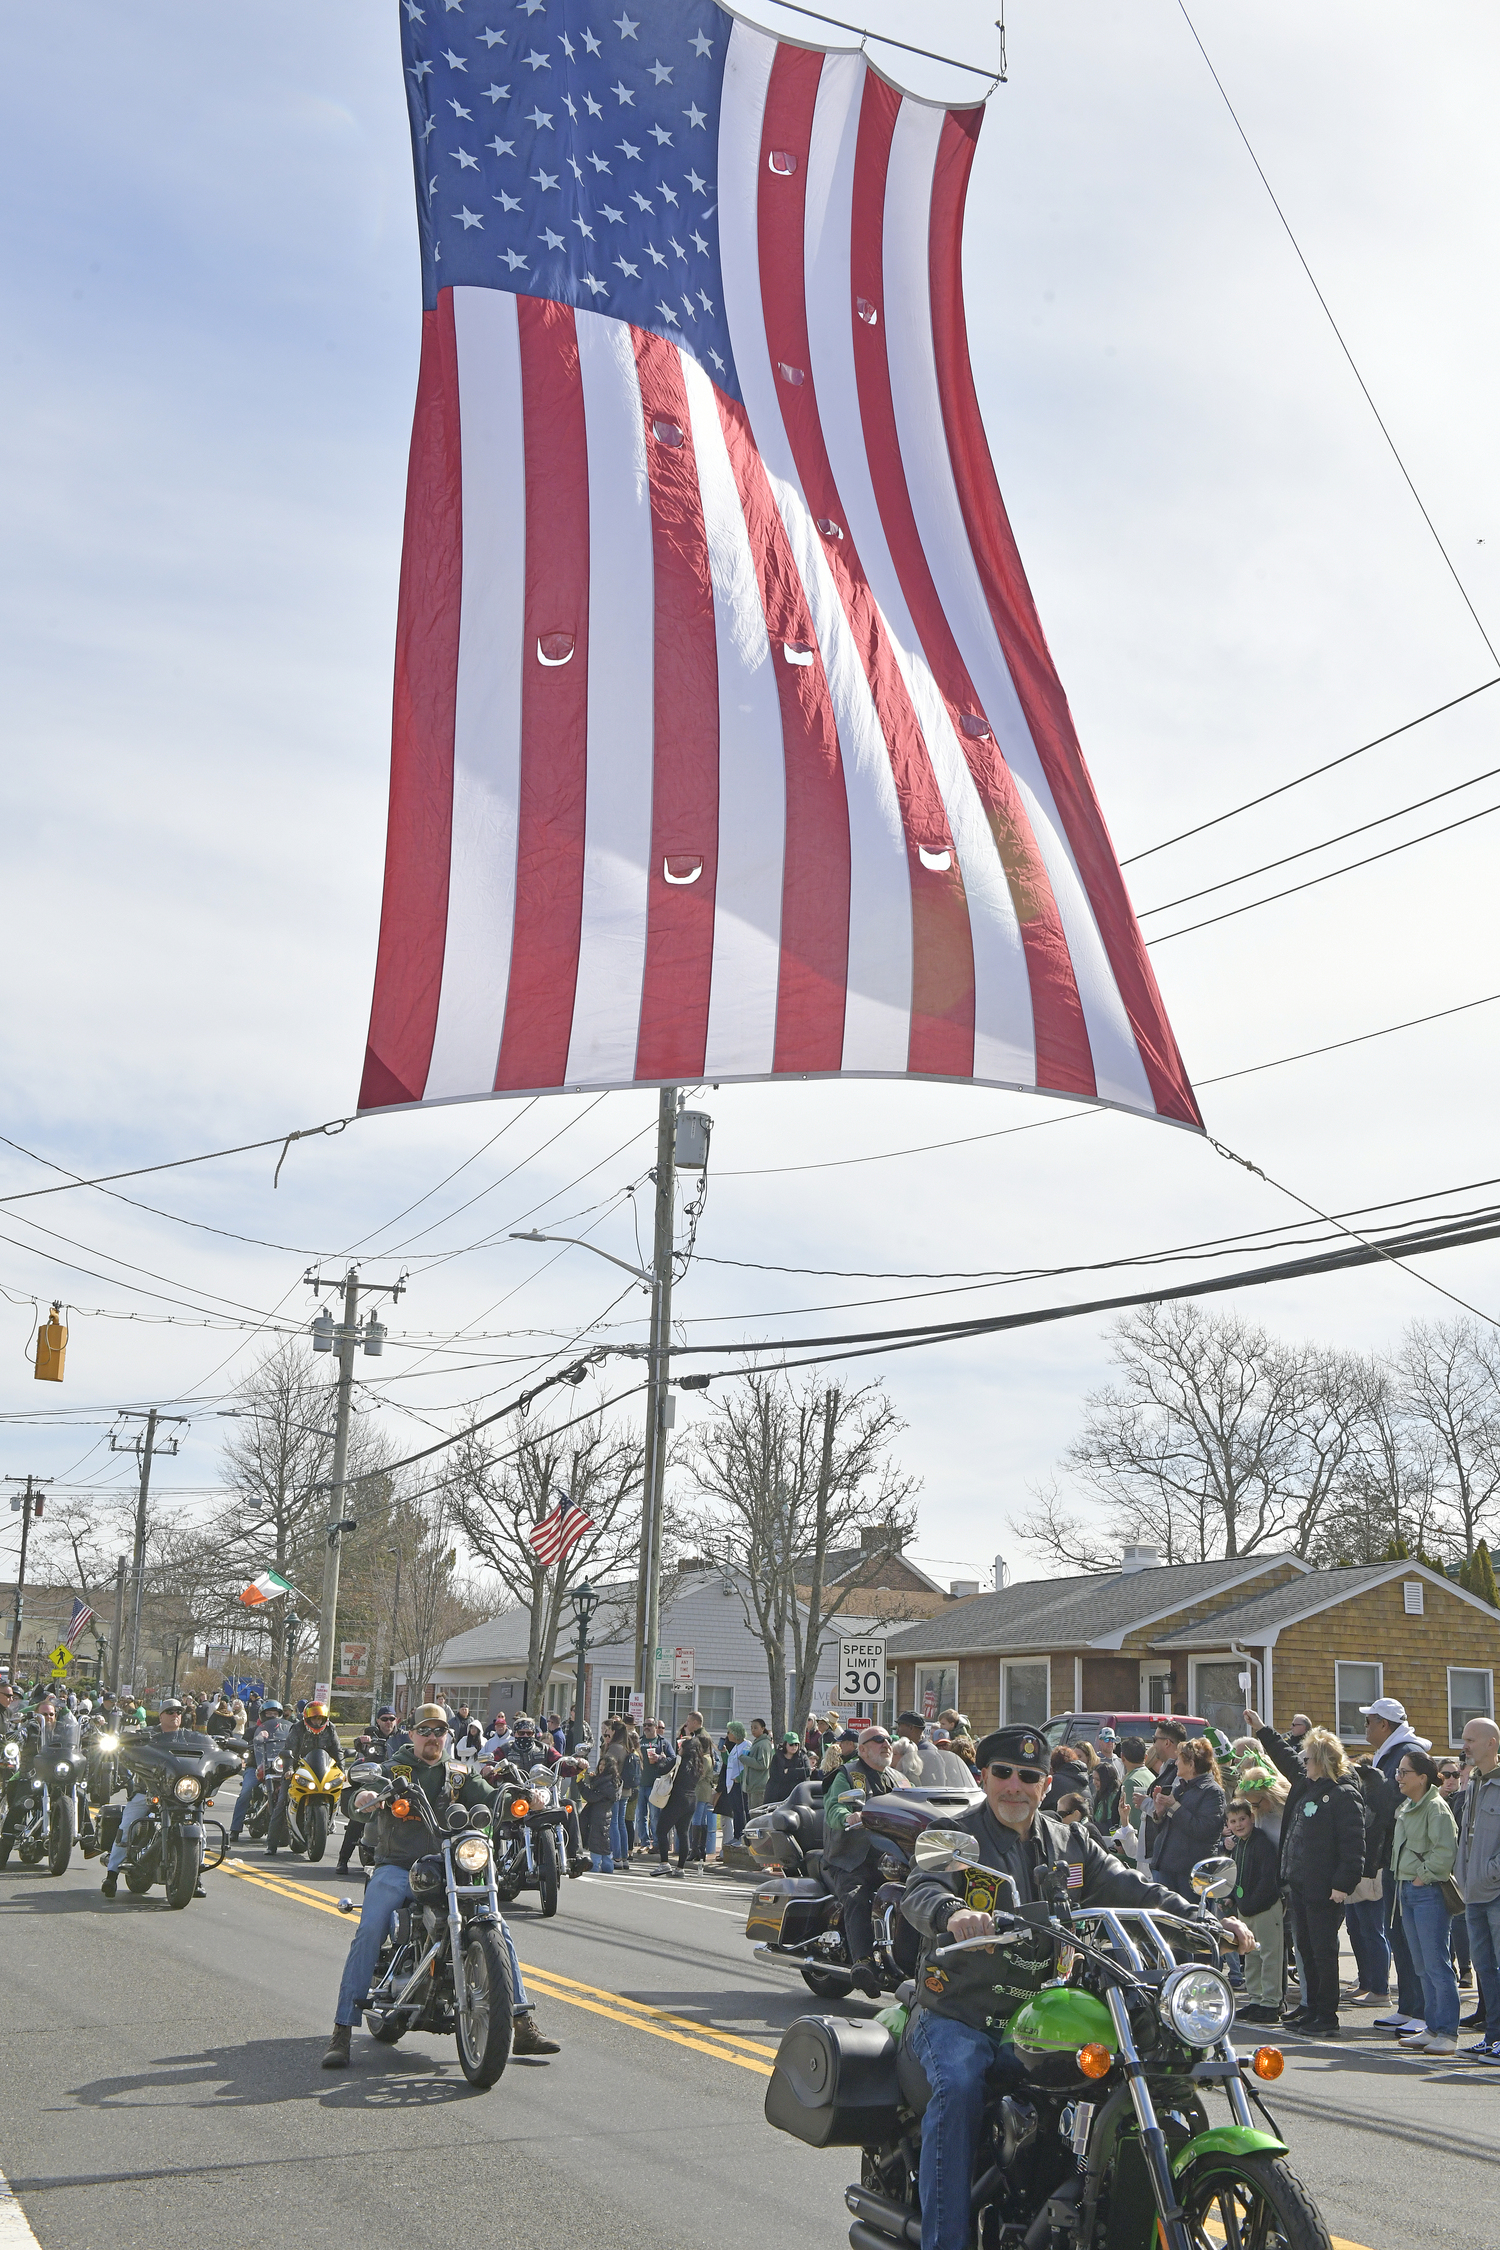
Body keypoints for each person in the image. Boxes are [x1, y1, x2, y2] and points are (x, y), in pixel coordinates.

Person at [899, 1726, 1254, 2250]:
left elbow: (1133, 1887)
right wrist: (953, 1913)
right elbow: (921, 1888)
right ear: (984, 1777)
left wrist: (1206, 1923)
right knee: (959, 2086)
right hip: (961, 2013)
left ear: (1046, 1785)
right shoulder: (958, 1838)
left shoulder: (1071, 1842)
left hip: (1035, 2013)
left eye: (1028, 1776)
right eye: (1003, 1774)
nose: (1014, 1787)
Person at [322, 1704, 559, 2067]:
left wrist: (525, 1798)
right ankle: (342, 2030)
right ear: (413, 1733)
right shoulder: (394, 1769)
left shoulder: (458, 1774)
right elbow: (356, 1799)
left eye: (440, 1731)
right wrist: (364, 1798)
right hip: (399, 1866)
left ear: (449, 1735)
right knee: (370, 1929)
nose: (433, 1738)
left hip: (453, 1867)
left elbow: (492, 1796)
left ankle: (521, 2023)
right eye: (426, 1730)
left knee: (496, 1926)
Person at [1263, 1723, 1364, 2037]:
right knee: (1305, 1949)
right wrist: (1263, 1731)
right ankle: (1310, 2008)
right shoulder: (1307, 1786)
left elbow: (1353, 1844)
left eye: (1308, 1759)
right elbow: (1287, 1759)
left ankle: (1326, 2015)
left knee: (1323, 1952)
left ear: (1322, 1760)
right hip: (1300, 1883)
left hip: (1324, 1887)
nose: (1303, 1764)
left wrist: (1342, 1883)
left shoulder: (1344, 1794)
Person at [1390, 1746, 1460, 2055]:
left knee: (1436, 1964)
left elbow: (1445, 1851)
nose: (1398, 1777)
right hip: (1406, 1890)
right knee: (1421, 1965)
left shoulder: (1436, 1807)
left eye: (1404, 1772)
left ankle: (1447, 2032)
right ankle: (1432, 2028)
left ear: (1422, 1777)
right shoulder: (1408, 1806)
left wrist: (1422, 1876)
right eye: (1398, 1772)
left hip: (1428, 1891)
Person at [822, 1725, 901, 1995]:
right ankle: (863, 1962)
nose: (886, 1744)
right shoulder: (847, 1775)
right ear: (863, 1749)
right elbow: (834, 1807)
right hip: (850, 1858)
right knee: (857, 1895)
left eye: (889, 1740)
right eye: (878, 1740)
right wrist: (848, 1817)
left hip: (890, 1858)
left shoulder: (899, 1779)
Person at [100, 1697, 205, 1898]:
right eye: (171, 1712)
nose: (176, 1715)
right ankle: (111, 1874)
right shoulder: (149, 1735)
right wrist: (126, 1740)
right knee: (127, 1825)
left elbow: (208, 1749)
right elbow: (128, 1747)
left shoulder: (189, 1737)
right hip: (148, 1790)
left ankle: (196, 1877)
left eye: (179, 1712)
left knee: (201, 1830)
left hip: (179, 1794)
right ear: (162, 1715)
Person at [1454, 1714, 1500, 2061]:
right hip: (1474, 1892)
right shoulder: (1475, 1783)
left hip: (1495, 1892)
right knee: (1485, 1968)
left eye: (1471, 1739)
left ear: (1491, 1743)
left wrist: (1489, 1873)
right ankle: (1493, 2036)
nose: (1464, 1745)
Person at [1224, 1795, 1283, 2022]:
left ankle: (1270, 2003)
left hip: (1265, 1907)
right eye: (1233, 1821)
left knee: (1269, 1955)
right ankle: (1255, 1999)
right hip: (1245, 1908)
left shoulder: (1262, 1844)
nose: (1238, 1825)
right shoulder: (1238, 1845)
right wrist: (1232, 1898)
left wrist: (1251, 1903)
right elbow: (1236, 1875)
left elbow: (1267, 1880)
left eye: (1242, 1819)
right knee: (1250, 1955)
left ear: (1251, 1818)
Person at [1150, 1736, 1228, 1891]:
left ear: (1191, 1765)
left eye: (1179, 1760)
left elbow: (1204, 1829)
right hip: (1167, 1867)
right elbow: (1169, 1828)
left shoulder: (1212, 1792)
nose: (1176, 1763)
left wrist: (1174, 1806)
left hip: (1190, 1873)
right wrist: (1160, 1814)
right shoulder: (1181, 1788)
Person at [653, 1725, 712, 1877]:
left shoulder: (679, 1760)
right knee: (683, 1833)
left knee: (661, 1830)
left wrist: (661, 1760)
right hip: (691, 1799)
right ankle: (680, 1867)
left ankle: (664, 1863)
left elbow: (662, 1769)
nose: (679, 1749)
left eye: (681, 1746)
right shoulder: (698, 1764)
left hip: (677, 1799)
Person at [229, 1697, 288, 1847]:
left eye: (275, 1713)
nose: (272, 1716)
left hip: (280, 1768)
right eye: (269, 1713)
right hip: (256, 1767)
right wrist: (254, 1741)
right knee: (246, 1790)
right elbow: (244, 1744)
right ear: (262, 1714)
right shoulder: (252, 1731)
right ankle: (235, 1829)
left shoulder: (288, 1731)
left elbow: (295, 1744)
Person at [765, 1730, 812, 1805]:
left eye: (796, 1744)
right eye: (791, 1744)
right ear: (785, 1744)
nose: (794, 1747)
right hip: (777, 1795)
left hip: (795, 1795)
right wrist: (796, 1774)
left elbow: (807, 1771)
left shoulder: (802, 1756)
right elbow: (776, 1775)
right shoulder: (777, 1757)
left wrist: (789, 1771)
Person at [742, 1717, 774, 1815]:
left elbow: (763, 1764)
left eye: (756, 1728)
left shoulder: (763, 1744)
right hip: (753, 1786)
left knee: (757, 1816)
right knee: (752, 1814)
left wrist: (744, 1759)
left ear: (763, 1728)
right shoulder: (757, 1743)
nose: (753, 1730)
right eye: (751, 1728)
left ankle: (760, 1831)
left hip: (759, 1787)